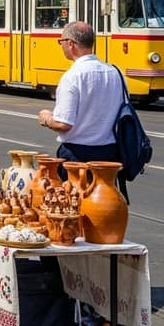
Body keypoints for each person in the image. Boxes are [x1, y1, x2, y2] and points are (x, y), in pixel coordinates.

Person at [37, 21, 129, 200]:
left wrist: (46, 118)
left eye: (61, 42)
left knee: (74, 206)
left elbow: (64, 123)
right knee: (103, 201)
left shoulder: (73, 76)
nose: (61, 46)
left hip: (77, 155)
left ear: (71, 44)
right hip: (109, 154)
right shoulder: (115, 73)